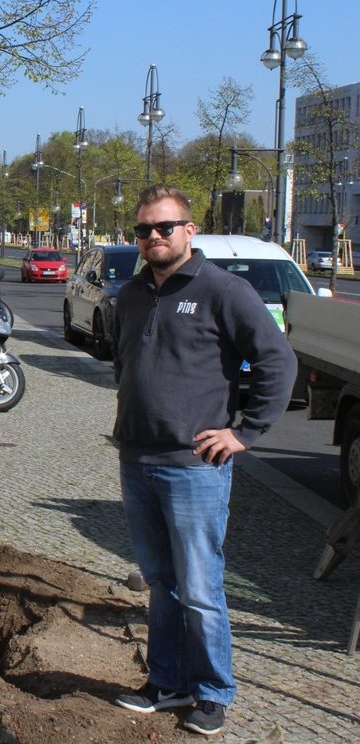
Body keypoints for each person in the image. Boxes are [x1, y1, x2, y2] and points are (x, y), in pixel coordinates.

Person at [111, 185, 296, 737]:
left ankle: (213, 692)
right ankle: (167, 682)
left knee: (199, 587)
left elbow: (277, 361)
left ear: (189, 231)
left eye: (164, 227)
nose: (153, 237)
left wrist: (246, 432)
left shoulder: (224, 290)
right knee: (161, 581)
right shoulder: (131, 294)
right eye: (143, 229)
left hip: (193, 466)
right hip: (137, 459)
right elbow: (125, 362)